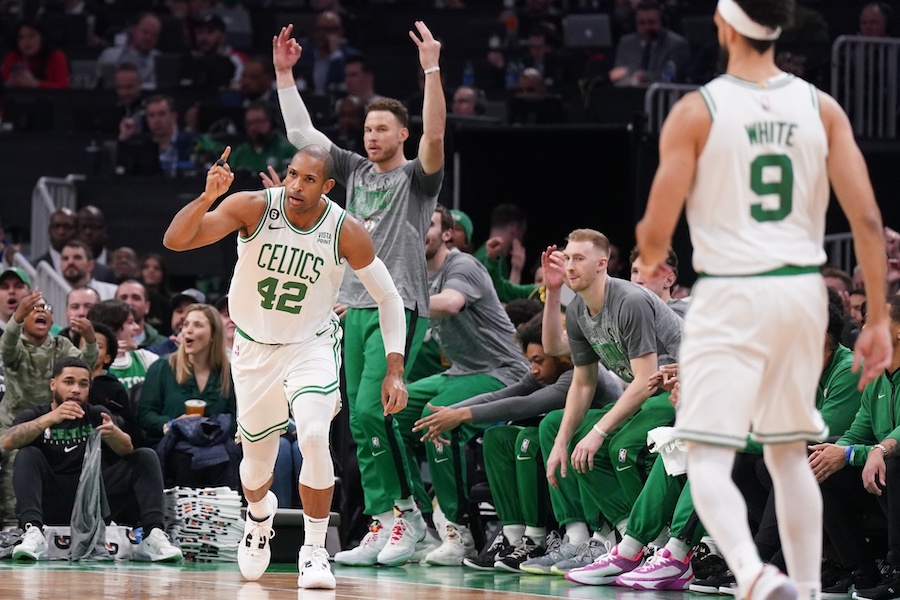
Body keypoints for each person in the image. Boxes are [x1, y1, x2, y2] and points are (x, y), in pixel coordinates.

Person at [634, 2, 893, 600]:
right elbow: (867, 220)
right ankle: (803, 585)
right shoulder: (822, 108)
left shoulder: (697, 110)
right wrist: (878, 315)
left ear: (726, 28)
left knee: (704, 451)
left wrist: (651, 253)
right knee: (785, 455)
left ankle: (751, 570)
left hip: (733, 291)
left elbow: (655, 229)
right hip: (800, 292)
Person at [162, 144, 408, 590]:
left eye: (308, 179)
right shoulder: (253, 207)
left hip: (310, 344)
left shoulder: (345, 230)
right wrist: (207, 197)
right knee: (256, 471)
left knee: (313, 435)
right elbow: (176, 241)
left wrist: (395, 367)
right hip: (254, 350)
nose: (295, 185)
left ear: (327, 186)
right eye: (293, 174)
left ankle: (313, 551)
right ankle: (259, 517)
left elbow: (389, 296)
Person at [271, 21, 446, 564]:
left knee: (374, 411)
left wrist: (432, 69)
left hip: (400, 305)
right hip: (354, 307)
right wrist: (284, 75)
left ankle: (409, 516)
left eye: (382, 129)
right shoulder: (354, 169)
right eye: (368, 128)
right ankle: (384, 521)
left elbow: (436, 137)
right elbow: (302, 136)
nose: (372, 136)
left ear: (402, 135)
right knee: (359, 420)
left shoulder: (417, 178)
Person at [538, 230, 682, 585]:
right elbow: (583, 382)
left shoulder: (629, 300)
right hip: (649, 390)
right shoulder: (577, 309)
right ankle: (630, 538)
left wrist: (599, 431)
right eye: (567, 258)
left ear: (602, 264)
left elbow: (646, 380)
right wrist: (561, 443)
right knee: (574, 442)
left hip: (684, 387)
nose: (570, 266)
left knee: (619, 447)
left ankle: (657, 543)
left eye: (579, 259)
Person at [2, 357, 182, 563]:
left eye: (83, 384)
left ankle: (152, 536)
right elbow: (7, 442)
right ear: (53, 384)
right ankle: (33, 532)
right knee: (27, 454)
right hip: (51, 499)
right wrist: (51, 418)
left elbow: (127, 449)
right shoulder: (36, 415)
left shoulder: (97, 414)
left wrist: (114, 434)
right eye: (68, 382)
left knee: (146, 456)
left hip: (92, 501)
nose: (76, 390)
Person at [809, 295, 900, 600]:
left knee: (894, 463)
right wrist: (840, 452)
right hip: (883, 478)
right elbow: (856, 432)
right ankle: (860, 569)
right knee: (823, 461)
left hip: (894, 469)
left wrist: (873, 451)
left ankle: (897, 571)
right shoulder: (876, 377)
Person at [609, 1, 690, 86]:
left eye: (651, 22)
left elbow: (672, 75)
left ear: (661, 22)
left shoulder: (677, 44)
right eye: (642, 23)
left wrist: (646, 76)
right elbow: (618, 73)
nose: (647, 27)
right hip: (630, 91)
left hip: (662, 92)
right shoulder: (626, 43)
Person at [1, 19, 69, 89]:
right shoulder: (12, 56)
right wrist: (8, 84)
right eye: (21, 37)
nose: (26, 42)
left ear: (42, 38)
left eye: (31, 36)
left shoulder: (56, 57)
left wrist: (37, 84)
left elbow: (63, 87)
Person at [32, 208, 78, 277]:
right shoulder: (34, 268)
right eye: (57, 226)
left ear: (76, 231)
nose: (61, 232)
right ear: (49, 231)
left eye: (66, 226)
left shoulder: (89, 267)